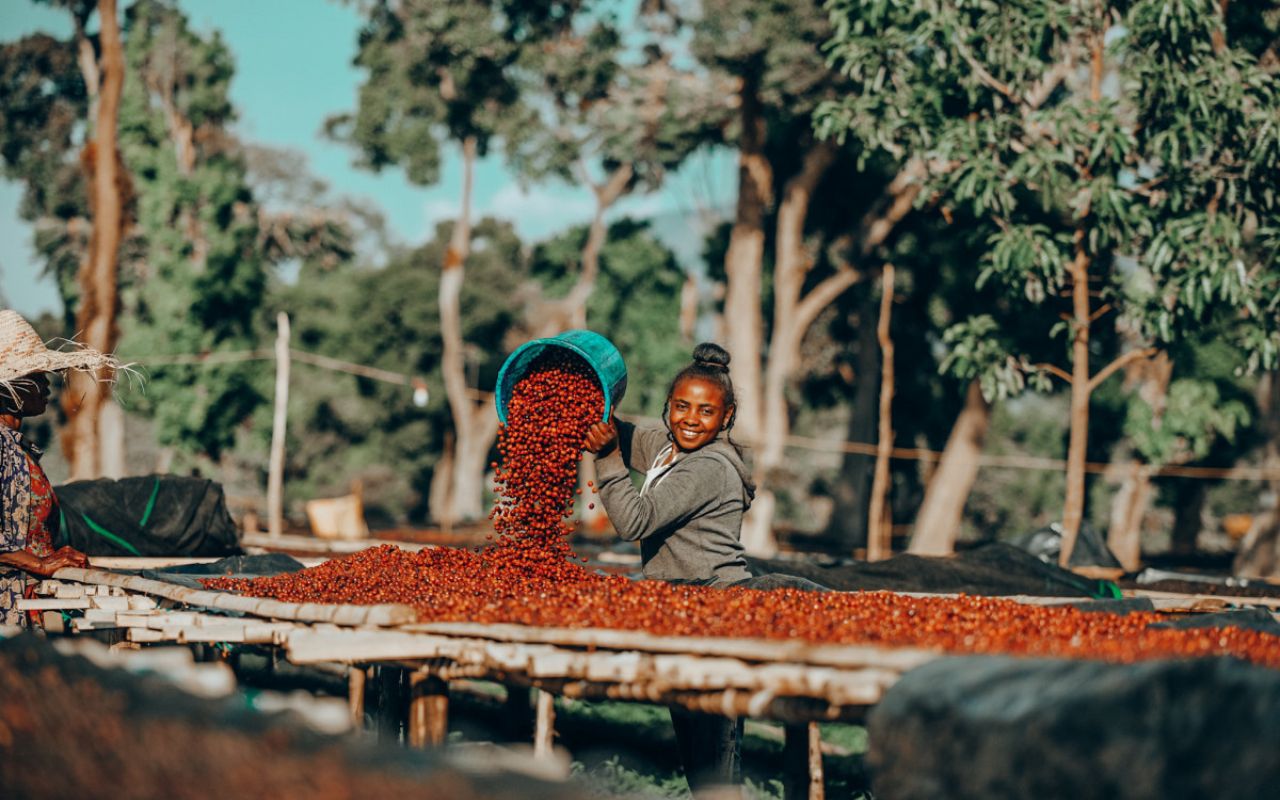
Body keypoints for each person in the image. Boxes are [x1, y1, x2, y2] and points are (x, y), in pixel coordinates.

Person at [584, 342, 753, 796]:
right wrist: (589, 411)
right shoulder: (669, 448)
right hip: (682, 606)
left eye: (705, 411)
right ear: (668, 407)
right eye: (681, 407)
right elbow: (629, 436)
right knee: (693, 743)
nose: (691, 419)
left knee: (715, 746)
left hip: (717, 606)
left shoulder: (709, 467)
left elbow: (634, 521)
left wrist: (605, 457)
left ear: (727, 417)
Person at [0, 310, 109, 626]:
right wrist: (40, 563)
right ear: (11, 387)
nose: (46, 384)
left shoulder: (14, 446)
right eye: (36, 375)